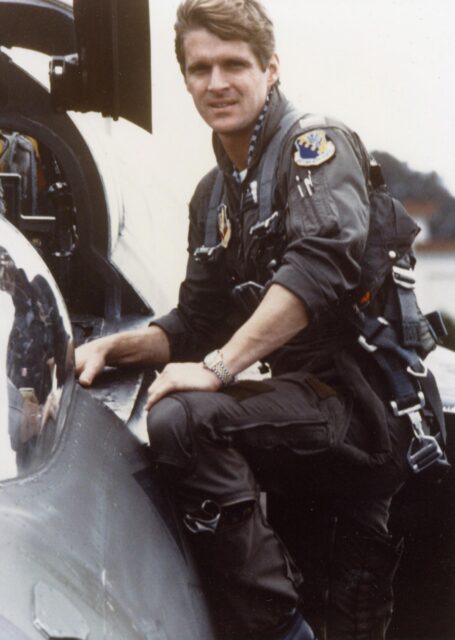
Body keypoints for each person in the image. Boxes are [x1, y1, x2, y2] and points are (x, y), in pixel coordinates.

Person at [76, 1, 418, 638]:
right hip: (305, 409)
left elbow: (319, 270)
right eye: (200, 67)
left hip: (364, 408)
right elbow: (194, 321)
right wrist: (112, 350)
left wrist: (217, 369)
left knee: (183, 417)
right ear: (183, 79)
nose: (216, 83)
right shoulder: (215, 195)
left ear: (271, 70)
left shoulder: (316, 147)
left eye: (235, 64)